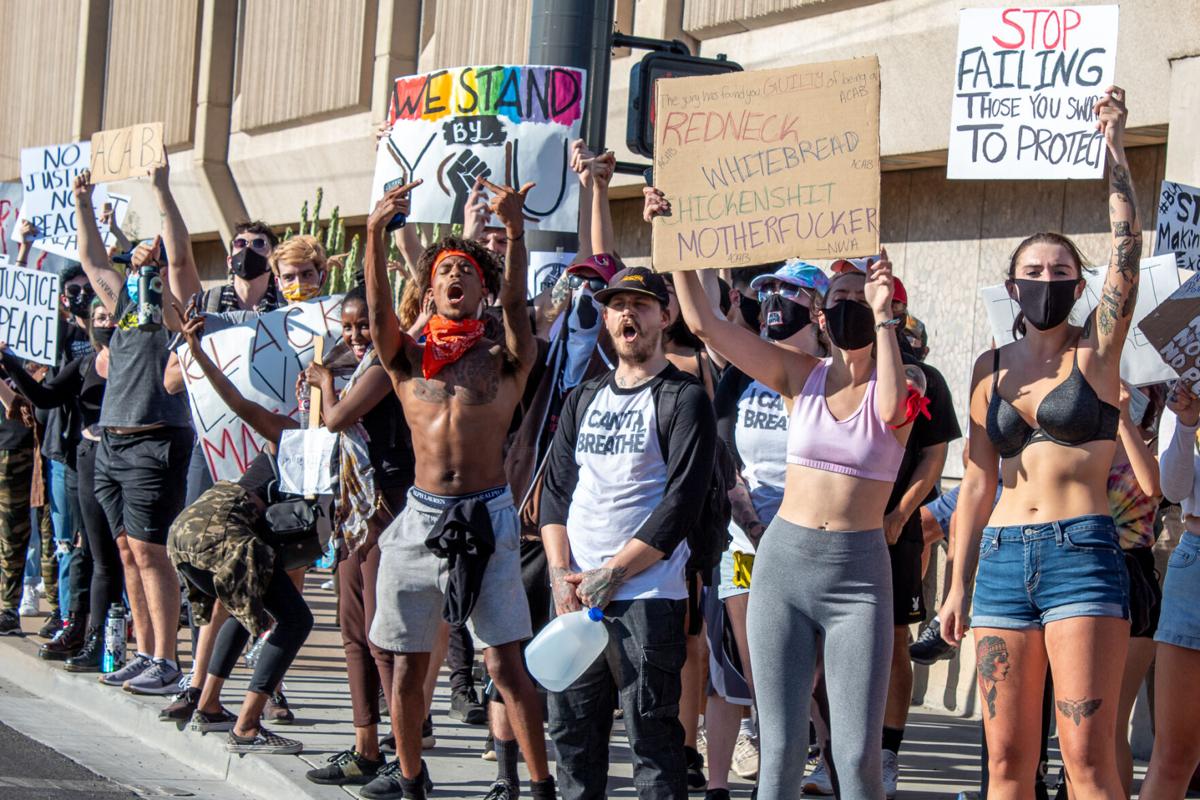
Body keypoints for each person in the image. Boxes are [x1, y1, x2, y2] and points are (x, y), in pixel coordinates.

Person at [938, 86, 1140, 799]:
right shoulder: (988, 367)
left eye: (1061, 273)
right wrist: (957, 581)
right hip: (998, 562)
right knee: (1004, 766)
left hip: (1079, 555)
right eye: (1034, 273)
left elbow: (1126, 251)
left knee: (1087, 760)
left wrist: (1114, 151)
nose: (1047, 281)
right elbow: (977, 482)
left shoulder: (1098, 353)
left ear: (1078, 287)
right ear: (1012, 287)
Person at [670, 241, 909, 799]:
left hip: (858, 577)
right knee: (777, 748)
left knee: (855, 755)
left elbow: (893, 411)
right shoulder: (800, 374)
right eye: (841, 296)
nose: (854, 304)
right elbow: (705, 324)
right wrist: (677, 246)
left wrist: (884, 320)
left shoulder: (906, 382)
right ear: (822, 314)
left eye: (864, 296)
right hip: (784, 566)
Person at [362, 178, 554, 800]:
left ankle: (541, 785)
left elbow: (521, 309)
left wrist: (516, 230)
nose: (453, 279)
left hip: (488, 518)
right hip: (418, 521)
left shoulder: (506, 359)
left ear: (483, 289)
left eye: (466, 272)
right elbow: (377, 314)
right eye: (444, 271)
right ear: (432, 286)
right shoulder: (407, 358)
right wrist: (372, 233)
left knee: (505, 663)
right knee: (409, 665)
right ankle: (413, 780)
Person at [539, 266, 716, 800]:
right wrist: (558, 573)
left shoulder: (684, 399)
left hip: (645, 595)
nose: (625, 314)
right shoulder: (584, 395)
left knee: (653, 741)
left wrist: (613, 573)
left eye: (639, 304)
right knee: (572, 736)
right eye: (616, 305)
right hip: (574, 595)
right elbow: (555, 491)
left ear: (665, 316)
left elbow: (681, 504)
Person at [706, 260, 830, 799]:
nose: (776, 301)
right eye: (769, 292)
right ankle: (774, 747)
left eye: (790, 292)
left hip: (817, 538)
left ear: (819, 308)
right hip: (748, 541)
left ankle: (831, 757)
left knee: (821, 666)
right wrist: (753, 524)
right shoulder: (742, 372)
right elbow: (724, 453)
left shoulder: (834, 373)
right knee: (759, 656)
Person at [168, 307, 313, 755]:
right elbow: (237, 402)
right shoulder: (293, 433)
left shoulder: (340, 446)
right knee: (296, 620)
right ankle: (247, 727)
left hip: (188, 531)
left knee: (236, 606)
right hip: (220, 527)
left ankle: (209, 705)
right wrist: (197, 354)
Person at [74, 165, 195, 695]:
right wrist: (82, 200)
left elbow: (184, 256)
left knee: (151, 551)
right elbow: (92, 260)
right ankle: (146, 653)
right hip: (112, 442)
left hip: (154, 439)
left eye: (154, 254)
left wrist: (161, 190)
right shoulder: (123, 302)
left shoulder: (178, 304)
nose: (145, 258)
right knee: (125, 551)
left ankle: (168, 660)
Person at [301, 285, 416, 786]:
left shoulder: (386, 363)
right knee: (351, 629)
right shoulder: (353, 364)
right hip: (352, 507)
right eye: (346, 327)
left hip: (386, 503)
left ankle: (405, 756)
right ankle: (364, 744)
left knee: (380, 634)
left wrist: (326, 383)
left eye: (363, 326)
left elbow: (336, 418)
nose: (353, 336)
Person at [0, 298, 115, 667]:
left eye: (112, 316)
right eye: (99, 318)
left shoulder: (140, 363)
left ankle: (119, 636)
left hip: (127, 467)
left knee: (123, 555)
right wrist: (9, 363)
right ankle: (83, 632)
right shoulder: (82, 365)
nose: (105, 323)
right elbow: (43, 397)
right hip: (85, 462)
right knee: (85, 551)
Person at [1144, 383, 1200, 798]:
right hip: (1196, 561)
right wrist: (1186, 422)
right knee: (1176, 754)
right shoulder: (1186, 397)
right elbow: (1174, 489)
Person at [1109, 382, 1162, 796]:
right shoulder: (1090, 434)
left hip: (1131, 578)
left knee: (1109, 724)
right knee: (1089, 727)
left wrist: (1125, 418)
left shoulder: (1157, 446)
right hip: (1082, 571)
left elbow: (1153, 488)